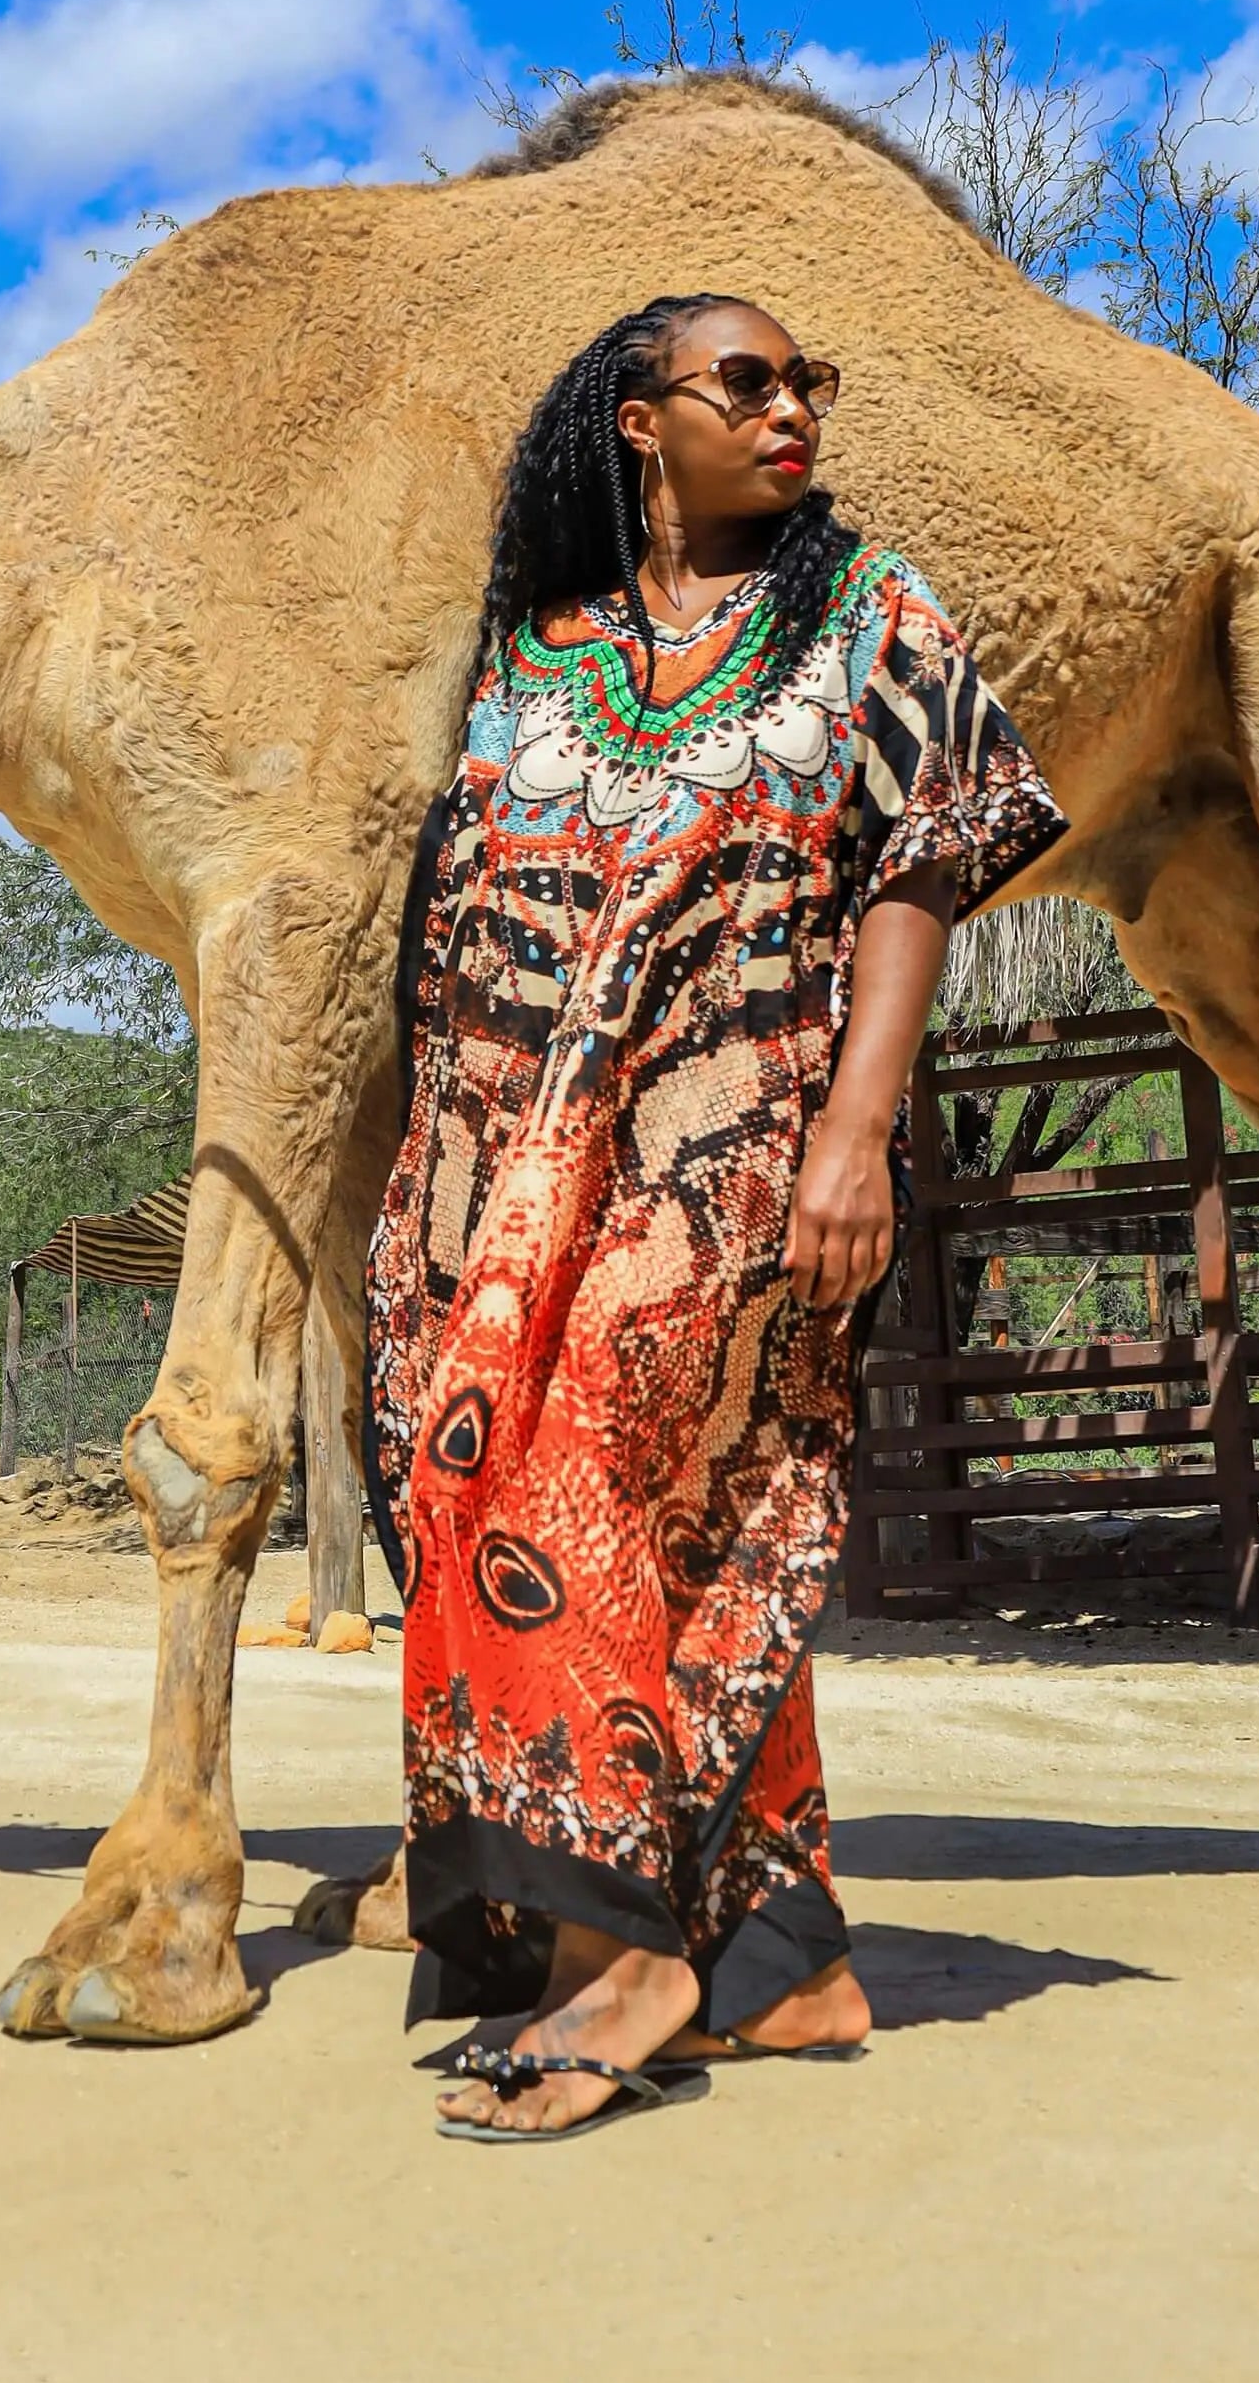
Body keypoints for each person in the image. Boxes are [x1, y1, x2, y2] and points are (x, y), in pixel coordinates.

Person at [364, 293, 1066, 2141]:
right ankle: (783, 1964)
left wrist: (857, 1127)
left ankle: (631, 1958)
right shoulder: (537, 651)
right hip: (502, 1160)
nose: (789, 412)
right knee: (667, 1515)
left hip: (736, 1136)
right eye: (746, 382)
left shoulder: (869, 615)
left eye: (807, 383)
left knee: (574, 1461)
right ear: (636, 422)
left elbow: (921, 864)